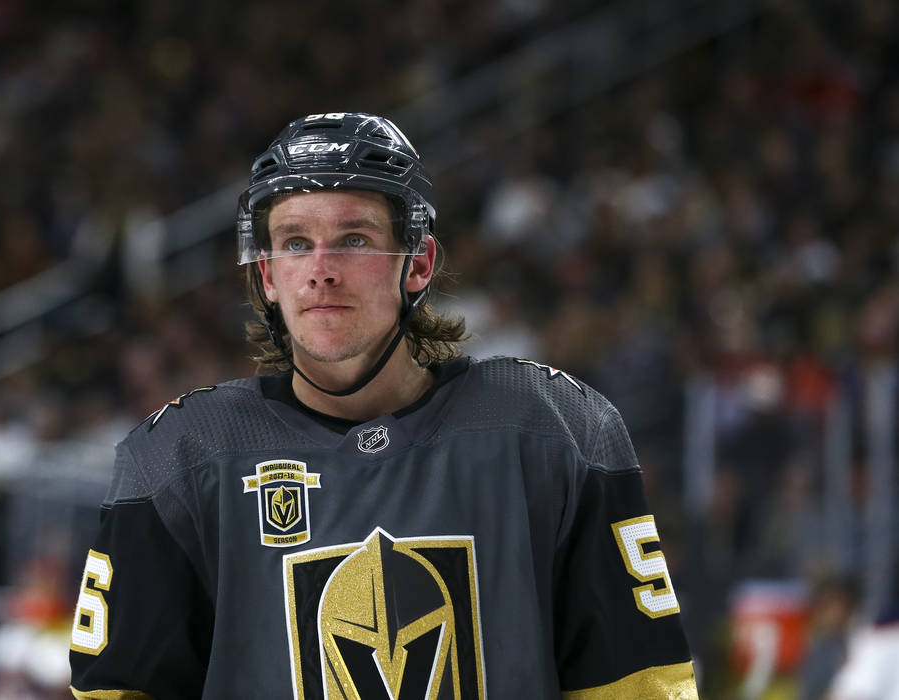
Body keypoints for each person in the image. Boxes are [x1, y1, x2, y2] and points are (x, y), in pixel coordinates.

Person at [68, 112, 699, 699]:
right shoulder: (177, 464)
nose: (321, 270)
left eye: (354, 238)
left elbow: (639, 683)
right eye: (293, 243)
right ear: (267, 277)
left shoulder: (556, 431)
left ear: (418, 263)